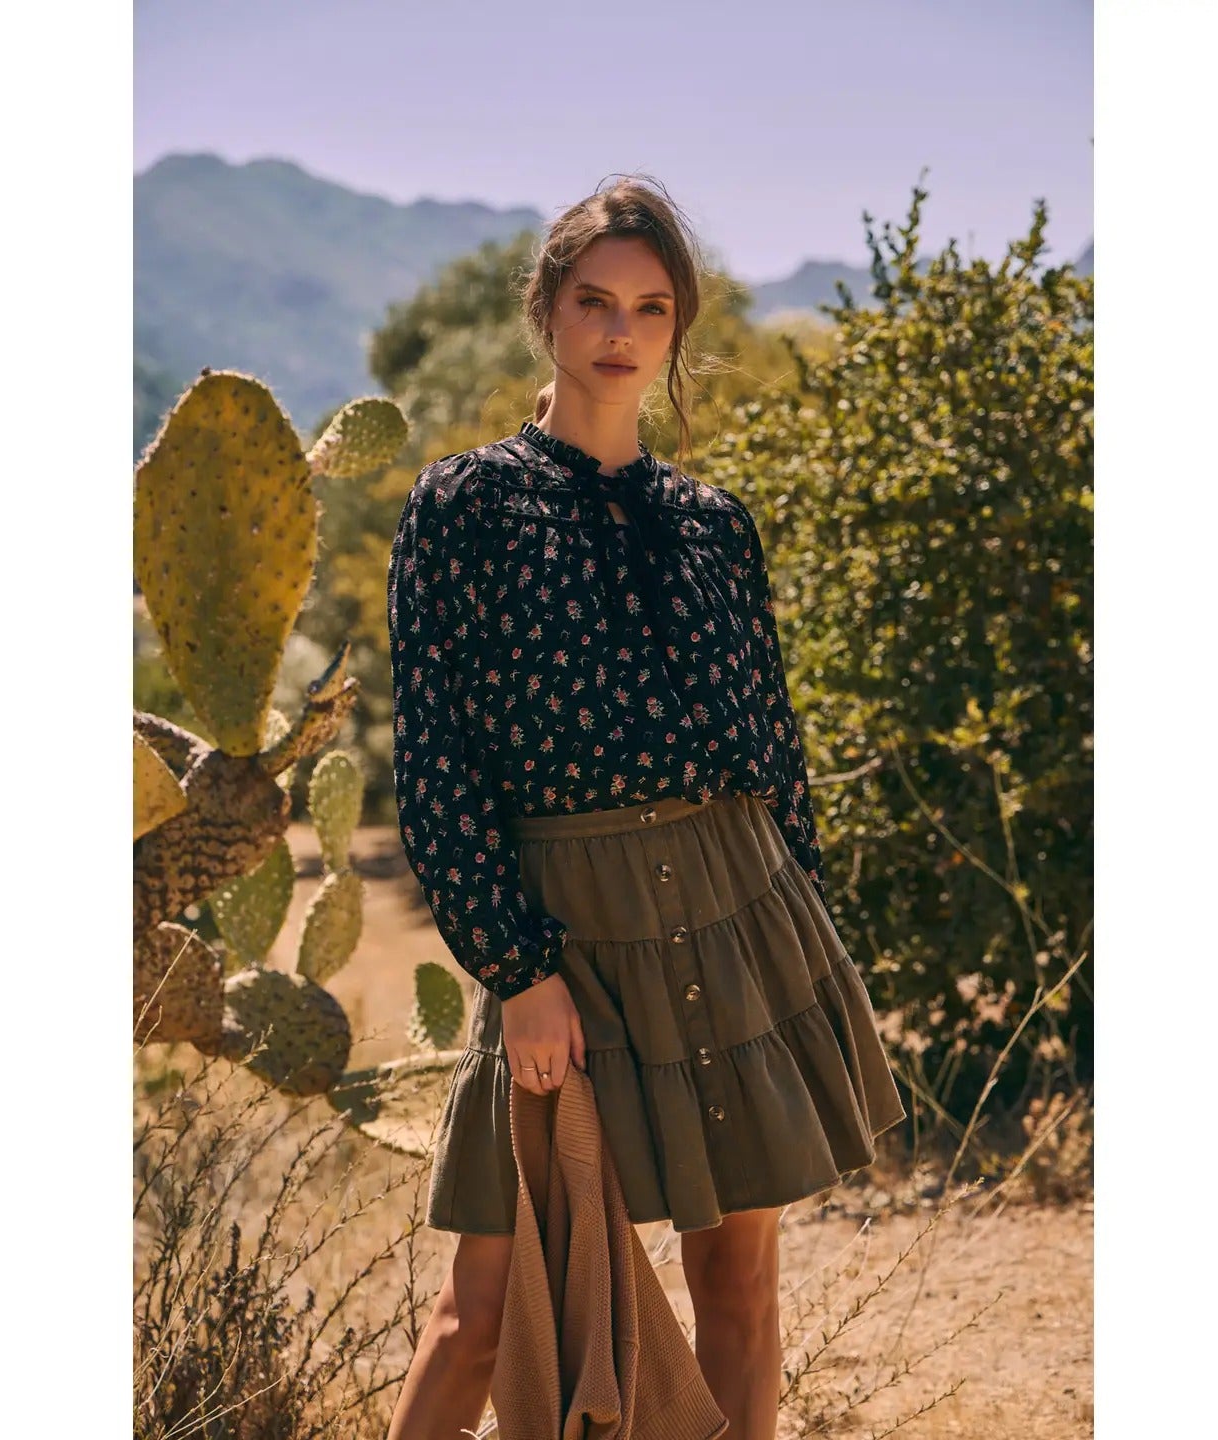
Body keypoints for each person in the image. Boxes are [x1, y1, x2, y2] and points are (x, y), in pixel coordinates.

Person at [384, 175, 905, 1440]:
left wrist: (805, 930)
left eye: (652, 307)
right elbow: (437, 761)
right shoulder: (464, 505)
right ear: (547, 310)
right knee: (482, 1308)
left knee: (740, 1283)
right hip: (565, 935)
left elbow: (772, 748)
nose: (622, 332)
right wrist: (516, 969)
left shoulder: (715, 525)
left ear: (678, 326)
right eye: (595, 301)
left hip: (740, 911)